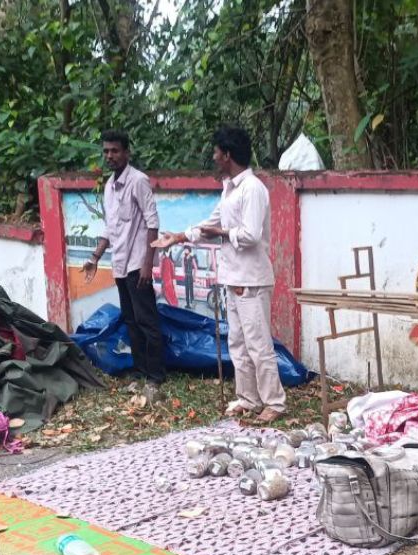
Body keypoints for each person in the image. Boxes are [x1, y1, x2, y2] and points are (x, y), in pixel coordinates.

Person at [153, 126, 286, 423]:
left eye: (216, 152)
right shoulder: (230, 189)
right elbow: (210, 223)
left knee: (258, 343)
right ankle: (248, 398)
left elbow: (251, 235)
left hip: (251, 279)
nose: (213, 157)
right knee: (237, 342)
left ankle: (275, 402)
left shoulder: (253, 189)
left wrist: (220, 233)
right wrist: (179, 237)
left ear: (227, 154)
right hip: (233, 278)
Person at [82, 129, 166, 396]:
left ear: (126, 152)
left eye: (115, 150)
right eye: (106, 151)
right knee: (130, 320)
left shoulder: (138, 181)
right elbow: (110, 227)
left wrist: (147, 264)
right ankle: (140, 371)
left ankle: (155, 376)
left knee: (147, 321)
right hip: (120, 264)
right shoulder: (108, 185)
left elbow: (153, 223)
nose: (110, 156)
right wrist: (95, 257)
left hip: (137, 265)